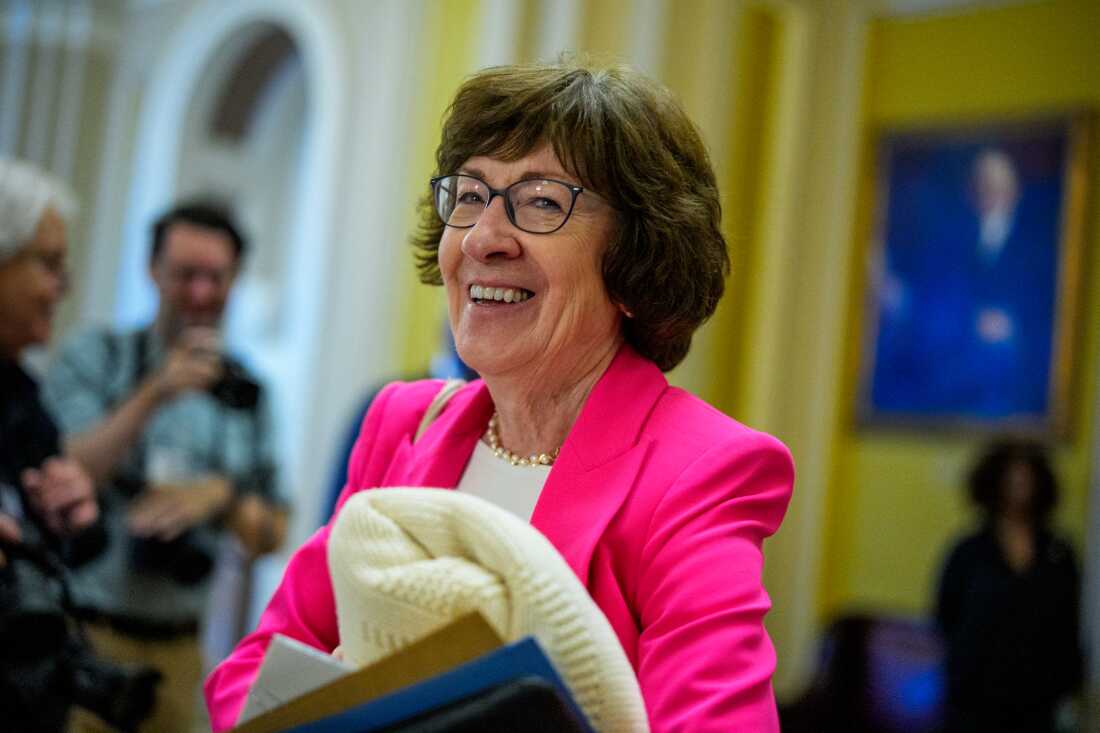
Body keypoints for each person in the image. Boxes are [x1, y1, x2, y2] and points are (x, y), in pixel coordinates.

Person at [206, 60, 795, 732]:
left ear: (637, 260)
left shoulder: (702, 471)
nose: (483, 238)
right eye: (469, 195)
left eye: (542, 200)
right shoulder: (402, 424)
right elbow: (250, 674)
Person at [42, 202, 290, 733]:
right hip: (82, 637)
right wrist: (155, 392)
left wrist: (219, 499)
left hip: (181, 652)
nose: (201, 293)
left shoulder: (248, 394)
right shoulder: (98, 357)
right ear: (152, 270)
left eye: (215, 278)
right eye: (185, 275)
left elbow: (275, 533)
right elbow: (63, 475)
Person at [0, 159, 158, 731]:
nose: (61, 287)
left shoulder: (21, 394)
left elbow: (64, 549)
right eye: (47, 264)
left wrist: (75, 516)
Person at [935, 438, 1082, 732]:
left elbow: (1069, 621)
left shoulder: (1058, 552)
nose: (1019, 489)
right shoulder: (970, 550)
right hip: (976, 694)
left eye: (1026, 480)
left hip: (1037, 695)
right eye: (1012, 480)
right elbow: (945, 614)